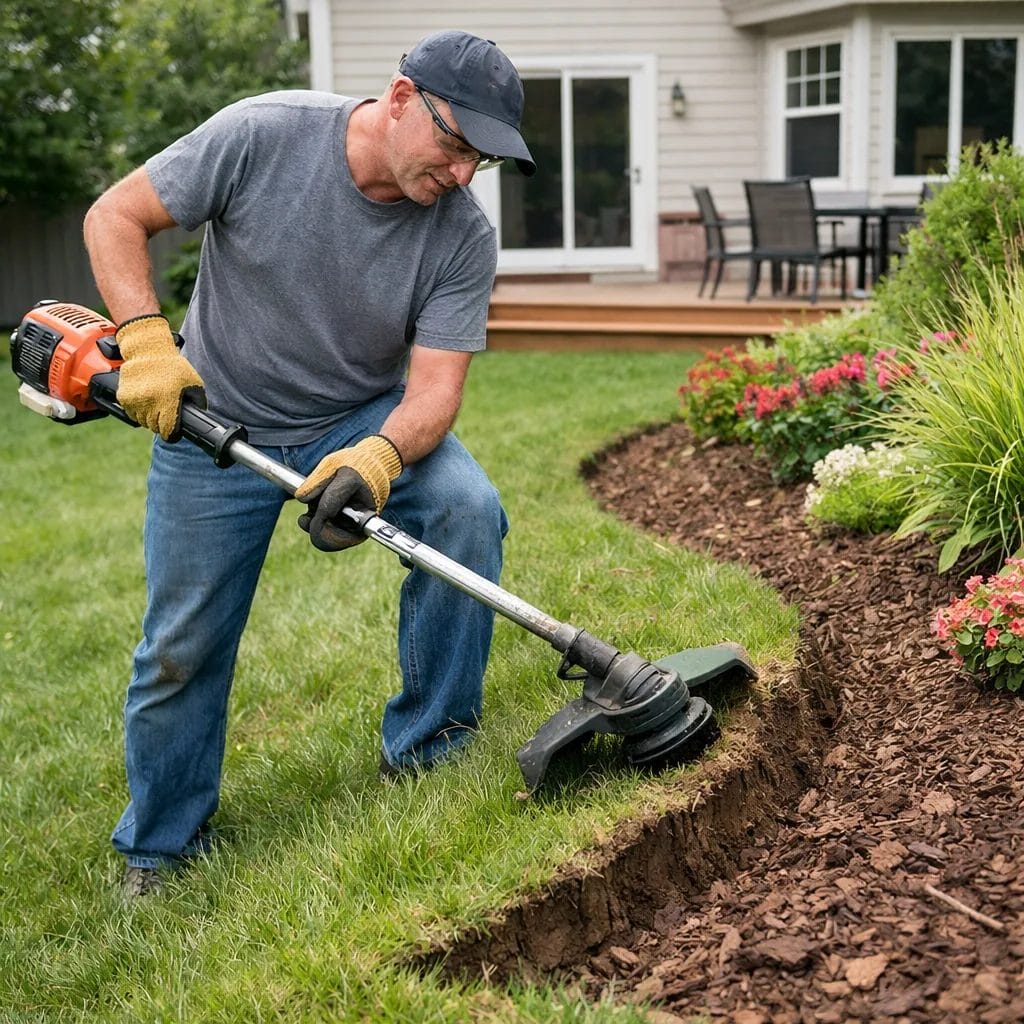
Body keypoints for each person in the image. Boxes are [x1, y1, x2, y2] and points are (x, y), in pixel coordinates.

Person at [82, 29, 536, 897]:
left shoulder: (460, 238)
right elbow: (115, 215)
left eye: (482, 160)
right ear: (401, 97)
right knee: (181, 641)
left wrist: (379, 455)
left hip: (358, 415)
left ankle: (433, 747)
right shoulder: (264, 134)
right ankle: (160, 845)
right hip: (219, 416)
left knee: (466, 510)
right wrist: (145, 340)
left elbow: (434, 393)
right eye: (454, 145)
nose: (462, 175)